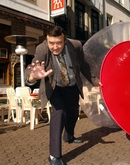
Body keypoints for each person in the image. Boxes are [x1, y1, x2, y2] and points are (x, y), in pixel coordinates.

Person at [25, 26, 101, 165]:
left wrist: (95, 80)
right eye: (51, 43)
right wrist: (31, 77)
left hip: (72, 85)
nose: (55, 47)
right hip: (55, 87)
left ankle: (69, 136)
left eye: (58, 43)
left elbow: (83, 65)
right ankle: (54, 156)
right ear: (47, 40)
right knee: (59, 114)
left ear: (64, 40)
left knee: (72, 114)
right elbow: (32, 67)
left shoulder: (76, 45)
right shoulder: (42, 49)